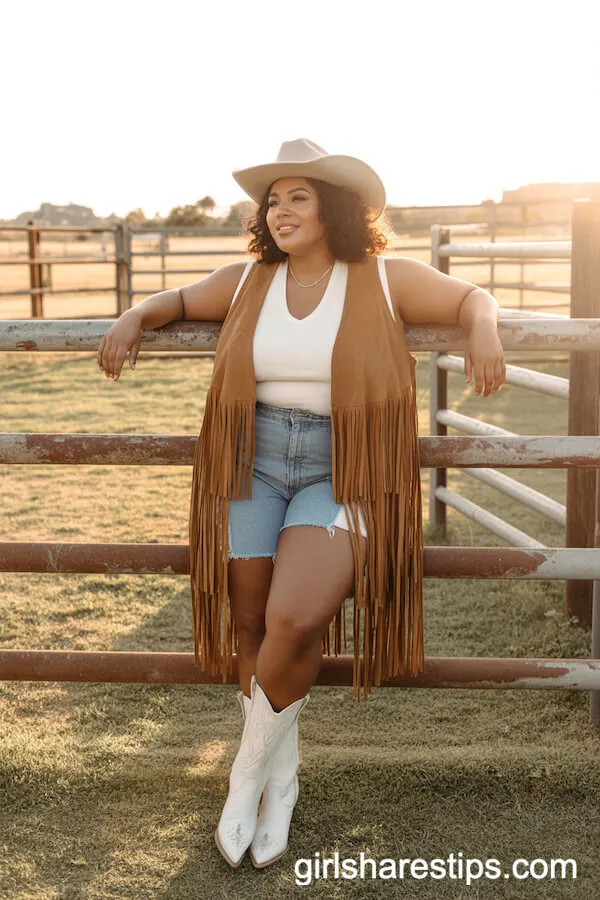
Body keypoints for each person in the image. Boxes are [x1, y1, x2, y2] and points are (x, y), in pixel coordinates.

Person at [97, 138, 506, 870]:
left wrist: (482, 329)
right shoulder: (248, 280)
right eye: (273, 200)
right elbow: (178, 301)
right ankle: (281, 783)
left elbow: (474, 297)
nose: (280, 211)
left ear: (334, 208)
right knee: (250, 618)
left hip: (343, 466)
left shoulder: (384, 279)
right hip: (252, 458)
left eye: (299, 198)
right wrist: (135, 314)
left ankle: (244, 773)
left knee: (295, 617)